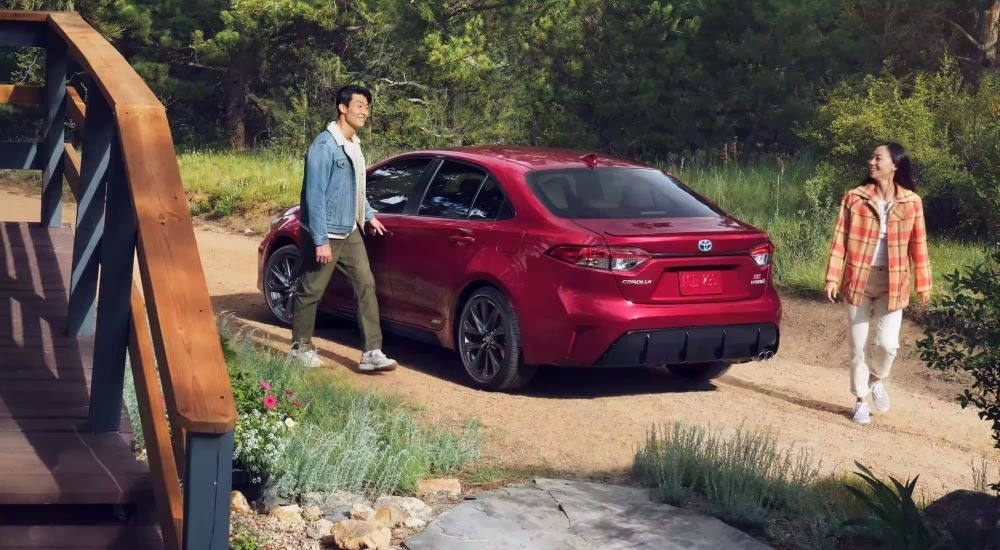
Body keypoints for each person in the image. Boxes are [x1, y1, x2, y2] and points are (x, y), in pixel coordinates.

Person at [289, 84, 397, 372]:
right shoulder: (324, 146)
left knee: (366, 284)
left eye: (367, 107)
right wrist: (320, 240)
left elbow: (353, 188)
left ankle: (371, 352)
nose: (365, 112)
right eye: (360, 105)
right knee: (311, 290)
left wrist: (369, 215)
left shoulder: (354, 145)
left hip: (349, 229)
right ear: (342, 107)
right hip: (325, 232)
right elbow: (314, 196)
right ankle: (300, 348)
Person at [824, 142, 931, 425]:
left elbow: (918, 245)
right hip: (858, 280)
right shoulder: (854, 198)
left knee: (887, 345)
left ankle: (876, 379)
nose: (871, 162)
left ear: (895, 166)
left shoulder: (911, 202)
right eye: (871, 157)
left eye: (878, 158)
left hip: (893, 283)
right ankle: (860, 400)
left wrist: (923, 283)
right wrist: (832, 277)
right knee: (857, 346)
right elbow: (839, 240)